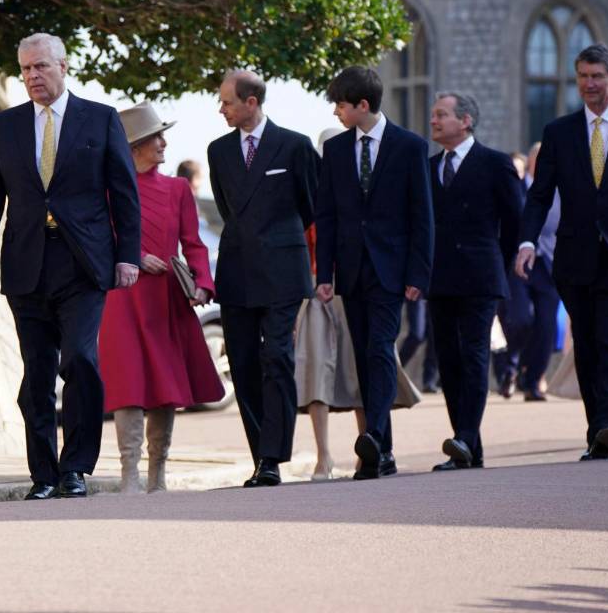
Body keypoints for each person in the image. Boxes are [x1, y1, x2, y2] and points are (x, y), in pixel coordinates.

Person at [0, 32, 140, 500]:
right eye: (24, 69)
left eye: (41, 67)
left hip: (83, 263)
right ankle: (43, 474)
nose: (32, 76)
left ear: (64, 67)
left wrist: (127, 255)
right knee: (37, 372)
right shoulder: (6, 126)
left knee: (81, 359)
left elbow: (124, 192)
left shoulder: (100, 119)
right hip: (26, 263)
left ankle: (76, 467)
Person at [516, 43, 608, 462]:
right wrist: (527, 243)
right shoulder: (558, 132)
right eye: (583, 75)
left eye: (597, 75)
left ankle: (607, 423)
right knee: (586, 342)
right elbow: (540, 196)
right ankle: (596, 428)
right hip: (575, 256)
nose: (589, 84)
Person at [315, 66, 433, 480]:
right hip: (350, 269)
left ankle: (375, 437)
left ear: (363, 105)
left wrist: (419, 273)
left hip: (392, 270)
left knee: (381, 347)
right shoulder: (336, 150)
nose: (336, 112)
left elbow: (423, 217)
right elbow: (326, 215)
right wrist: (324, 273)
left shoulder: (410, 147)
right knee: (364, 355)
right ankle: (383, 453)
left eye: (341, 105)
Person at [99, 103, 224, 494]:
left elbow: (194, 244)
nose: (164, 142)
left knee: (165, 385)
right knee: (128, 383)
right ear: (135, 146)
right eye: (157, 137)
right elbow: (97, 239)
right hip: (122, 297)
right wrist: (133, 256)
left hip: (166, 298)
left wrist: (203, 282)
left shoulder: (178, 189)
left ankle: (159, 474)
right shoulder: (108, 188)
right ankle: (129, 475)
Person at [207, 70, 319, 488]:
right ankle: (260, 456)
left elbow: (311, 207)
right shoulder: (218, 151)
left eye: (228, 102)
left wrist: (280, 242)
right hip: (237, 271)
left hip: (283, 271)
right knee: (243, 364)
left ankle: (272, 457)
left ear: (251, 103)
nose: (222, 109)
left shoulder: (295, 146)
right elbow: (226, 206)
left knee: (277, 358)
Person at [294, 128, 421, 481]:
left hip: (366, 282)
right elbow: (310, 237)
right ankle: (325, 457)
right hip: (323, 290)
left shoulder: (379, 170)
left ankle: (375, 445)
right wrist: (316, 282)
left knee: (368, 362)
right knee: (318, 373)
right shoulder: (318, 189)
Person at [426, 92, 522, 471]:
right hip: (439, 276)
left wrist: (498, 259)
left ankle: (464, 438)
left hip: (481, 275)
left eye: (441, 115)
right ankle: (469, 446)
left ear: (465, 121)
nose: (433, 121)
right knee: (448, 360)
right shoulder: (428, 165)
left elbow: (514, 222)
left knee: (474, 355)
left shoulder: (495, 164)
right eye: (433, 115)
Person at [497, 141, 562, 401]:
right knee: (521, 319)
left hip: (549, 266)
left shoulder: (562, 190)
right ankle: (512, 362)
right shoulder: (517, 187)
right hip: (519, 264)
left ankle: (532, 380)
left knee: (546, 327)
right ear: (532, 161)